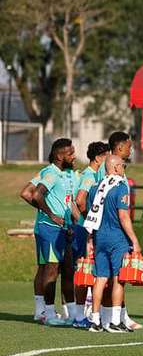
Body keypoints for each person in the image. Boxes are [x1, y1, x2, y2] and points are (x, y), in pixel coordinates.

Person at [84, 155, 142, 332]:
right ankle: (115, 322)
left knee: (100, 279)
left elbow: (91, 216)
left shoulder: (95, 187)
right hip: (117, 238)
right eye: (123, 165)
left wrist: (90, 239)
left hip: (100, 237)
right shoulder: (121, 186)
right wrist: (135, 240)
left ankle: (95, 320)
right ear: (116, 167)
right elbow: (124, 217)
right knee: (119, 278)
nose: (124, 168)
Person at [32, 138, 78, 327]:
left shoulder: (65, 174)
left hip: (64, 229)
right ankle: (49, 314)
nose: (74, 156)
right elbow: (36, 194)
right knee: (51, 270)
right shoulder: (51, 173)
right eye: (70, 153)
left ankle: (75, 314)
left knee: (68, 269)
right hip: (49, 229)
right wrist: (51, 215)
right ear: (60, 156)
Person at [71, 141, 110, 327]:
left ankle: (87, 313)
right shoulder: (89, 175)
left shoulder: (97, 174)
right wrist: (90, 221)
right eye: (105, 157)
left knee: (91, 270)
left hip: (89, 228)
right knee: (83, 269)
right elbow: (80, 200)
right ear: (98, 158)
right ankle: (79, 317)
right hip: (84, 229)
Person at [20, 164, 51, 322]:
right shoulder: (49, 172)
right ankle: (41, 310)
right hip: (47, 227)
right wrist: (46, 210)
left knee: (51, 267)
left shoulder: (68, 173)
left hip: (59, 227)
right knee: (46, 267)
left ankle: (47, 310)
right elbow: (26, 193)